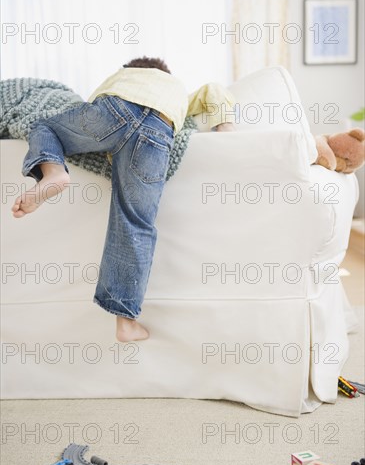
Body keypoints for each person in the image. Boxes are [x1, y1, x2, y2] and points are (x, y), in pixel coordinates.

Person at [11, 57, 235, 342]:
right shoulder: (177, 90)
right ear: (165, 74)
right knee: (135, 221)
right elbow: (214, 90)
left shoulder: (122, 77)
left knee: (45, 128)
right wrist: (225, 126)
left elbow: (90, 104)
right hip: (159, 129)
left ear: (128, 70)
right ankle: (126, 322)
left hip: (112, 111)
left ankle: (53, 171)